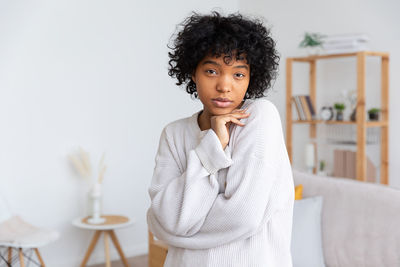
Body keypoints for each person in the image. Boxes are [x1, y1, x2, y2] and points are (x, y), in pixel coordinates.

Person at [147, 11, 294, 267]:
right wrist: (213, 145)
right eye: (212, 71)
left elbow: (243, 217)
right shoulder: (174, 133)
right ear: (193, 73)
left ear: (251, 79)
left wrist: (179, 231)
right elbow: (161, 223)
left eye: (238, 74)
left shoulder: (260, 116)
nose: (225, 86)